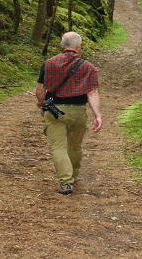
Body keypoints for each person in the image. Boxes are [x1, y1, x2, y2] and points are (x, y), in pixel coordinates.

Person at [36, 31, 102, 194]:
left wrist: (41, 101)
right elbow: (92, 93)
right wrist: (97, 115)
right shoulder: (88, 67)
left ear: (62, 45)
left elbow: (39, 90)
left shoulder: (49, 63)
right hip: (78, 111)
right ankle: (74, 174)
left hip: (54, 111)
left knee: (57, 147)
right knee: (75, 146)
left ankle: (66, 182)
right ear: (79, 46)